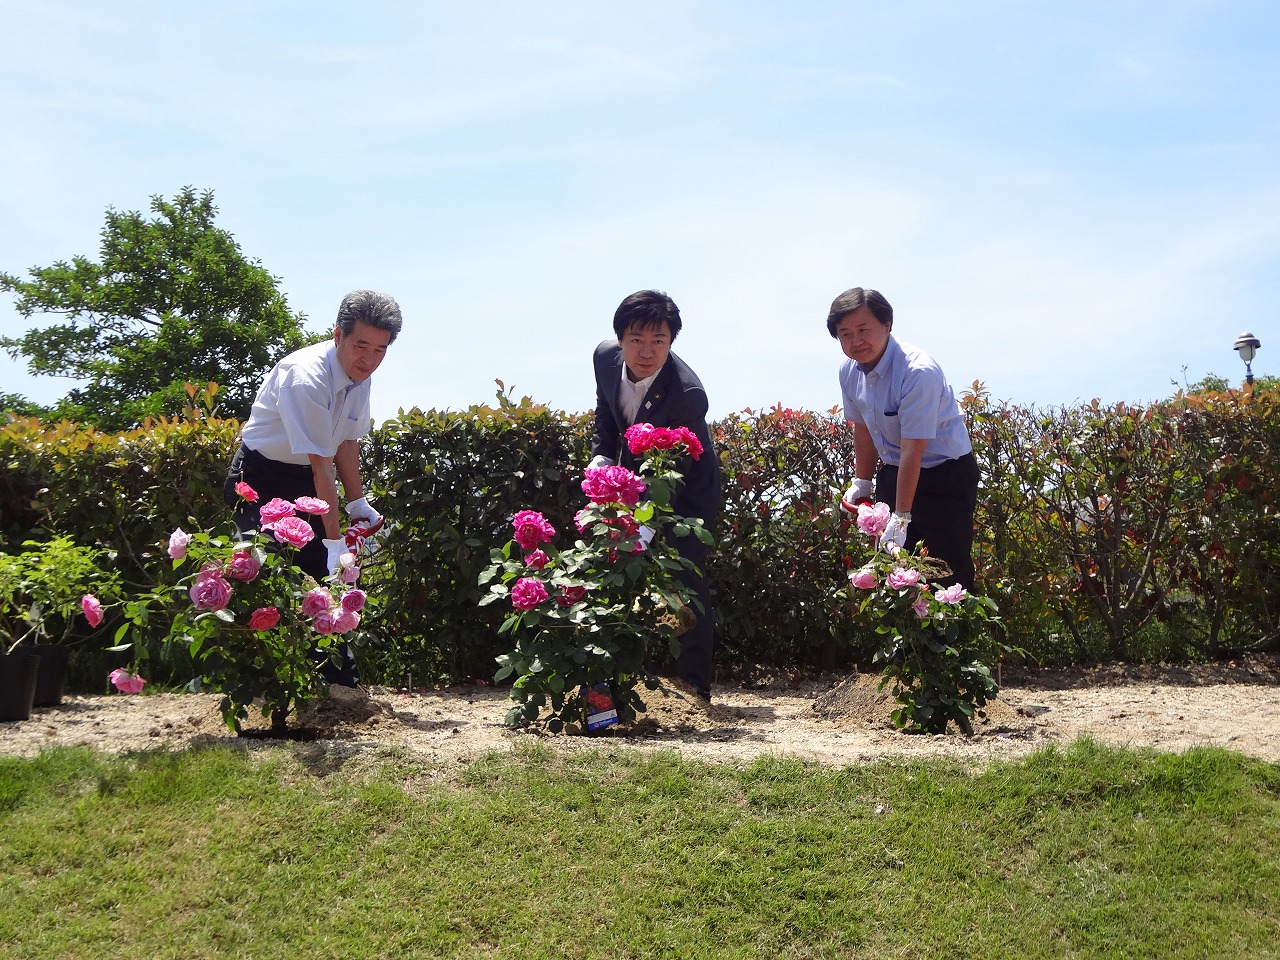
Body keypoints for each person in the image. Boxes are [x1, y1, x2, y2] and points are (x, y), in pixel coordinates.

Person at [224, 289, 403, 686]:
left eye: (380, 349)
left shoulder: (360, 375)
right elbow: (323, 465)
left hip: (304, 476)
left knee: (322, 586)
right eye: (361, 345)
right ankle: (265, 686)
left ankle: (339, 686)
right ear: (338, 334)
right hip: (260, 478)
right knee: (266, 571)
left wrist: (359, 504)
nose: (369, 359)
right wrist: (334, 545)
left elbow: (347, 442)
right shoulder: (306, 378)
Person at [590, 290, 722, 701]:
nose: (647, 351)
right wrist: (599, 455)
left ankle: (696, 685)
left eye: (659, 341)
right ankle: (632, 679)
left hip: (686, 497)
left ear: (671, 341)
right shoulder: (603, 359)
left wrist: (642, 525)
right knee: (624, 578)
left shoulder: (687, 394)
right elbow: (606, 410)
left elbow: (673, 476)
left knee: (684, 578)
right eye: (636, 339)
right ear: (619, 338)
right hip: (633, 484)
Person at [828, 286, 978, 590]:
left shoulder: (917, 371)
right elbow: (863, 427)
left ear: (887, 324)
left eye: (863, 329)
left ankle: (958, 637)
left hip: (943, 476)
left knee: (945, 575)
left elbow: (914, 450)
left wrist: (902, 516)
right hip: (897, 471)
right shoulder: (848, 371)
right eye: (845, 333)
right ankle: (905, 639)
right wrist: (864, 481)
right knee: (893, 571)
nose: (856, 341)